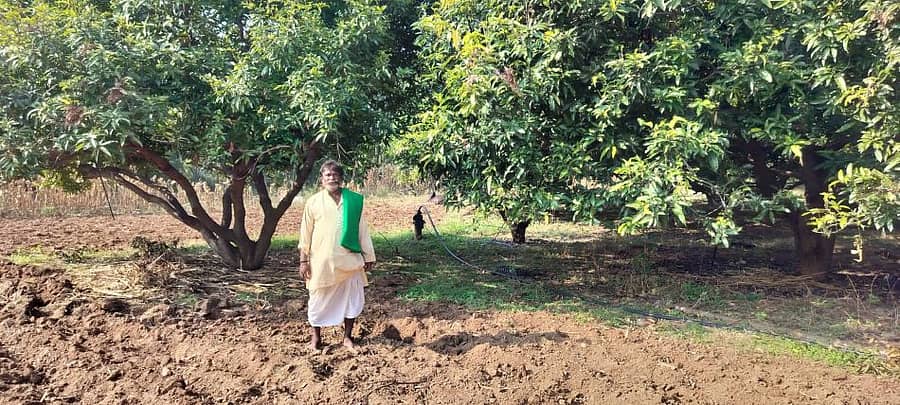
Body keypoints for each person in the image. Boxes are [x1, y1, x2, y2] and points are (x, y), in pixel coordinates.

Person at [298, 160, 376, 351]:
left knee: (352, 298)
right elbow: (305, 233)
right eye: (328, 175)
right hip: (321, 262)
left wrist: (368, 256)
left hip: (349, 259)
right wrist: (303, 261)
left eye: (335, 174)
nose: (332, 178)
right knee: (317, 300)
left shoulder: (353, 201)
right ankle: (316, 338)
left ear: (341, 178)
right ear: (321, 180)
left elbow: (362, 230)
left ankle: (347, 337)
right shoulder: (313, 202)